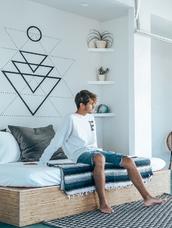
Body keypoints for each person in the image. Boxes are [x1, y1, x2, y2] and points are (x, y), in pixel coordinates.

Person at [27, 90, 165, 214]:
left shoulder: (91, 117)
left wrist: (99, 151)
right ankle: (102, 203)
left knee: (127, 160)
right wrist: (42, 162)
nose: (94, 106)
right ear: (82, 104)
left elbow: (93, 143)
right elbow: (57, 141)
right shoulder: (70, 119)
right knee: (99, 158)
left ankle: (147, 198)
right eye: (91, 104)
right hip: (78, 154)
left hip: (94, 151)